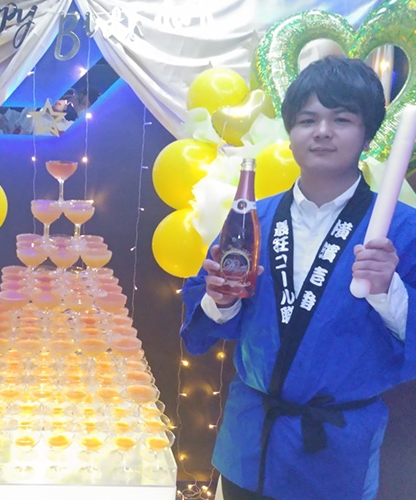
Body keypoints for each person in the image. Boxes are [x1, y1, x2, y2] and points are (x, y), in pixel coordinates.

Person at [181, 55, 416, 500]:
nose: (322, 131)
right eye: (307, 120)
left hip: (336, 452)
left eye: (341, 119)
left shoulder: (402, 230)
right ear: (290, 133)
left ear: (367, 134)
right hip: (249, 442)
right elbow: (205, 316)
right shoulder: (254, 218)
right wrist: (220, 299)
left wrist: (390, 291)